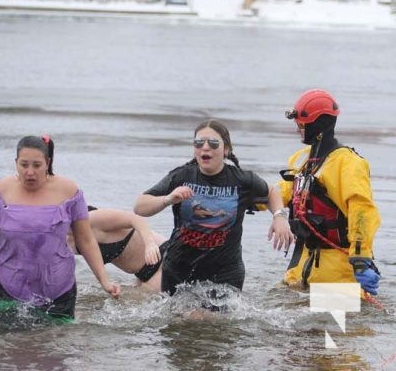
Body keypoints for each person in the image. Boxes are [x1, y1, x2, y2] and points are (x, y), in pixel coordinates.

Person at [0, 135, 120, 320]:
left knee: (57, 344)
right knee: (8, 343)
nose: (30, 172)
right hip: (6, 281)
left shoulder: (69, 192)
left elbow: (86, 240)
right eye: (24, 165)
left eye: (37, 165)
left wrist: (104, 281)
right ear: (16, 163)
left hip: (58, 285)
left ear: (47, 163)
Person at [133, 119, 292, 298]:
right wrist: (168, 199)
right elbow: (140, 206)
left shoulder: (242, 180)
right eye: (199, 143)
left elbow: (271, 191)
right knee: (179, 322)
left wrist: (279, 216)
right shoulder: (182, 176)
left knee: (208, 320)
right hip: (180, 268)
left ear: (226, 149)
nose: (205, 147)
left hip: (225, 272)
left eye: (213, 143)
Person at [279, 89, 381, 297]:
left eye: (301, 124)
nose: (298, 129)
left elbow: (361, 210)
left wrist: (361, 258)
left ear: (317, 126)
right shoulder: (302, 160)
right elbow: (281, 192)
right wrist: (247, 195)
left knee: (333, 329)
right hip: (301, 270)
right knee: (283, 326)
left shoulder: (348, 164)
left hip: (337, 275)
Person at [66, 206, 169, 292]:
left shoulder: (92, 219)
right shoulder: (64, 241)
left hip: (162, 257)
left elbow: (136, 219)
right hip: (140, 273)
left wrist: (149, 243)